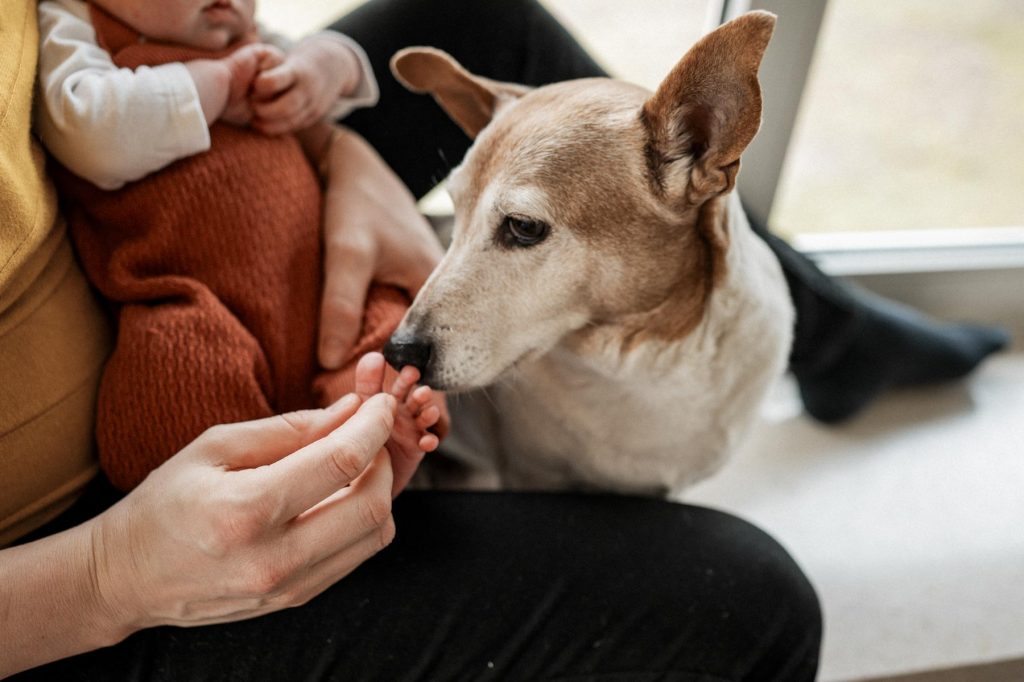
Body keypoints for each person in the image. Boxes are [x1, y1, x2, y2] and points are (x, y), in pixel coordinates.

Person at [3, 0, 1008, 678]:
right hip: (78, 552)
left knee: (485, 15)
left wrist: (343, 150)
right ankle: (827, 331)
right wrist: (110, 570)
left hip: (160, 192)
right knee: (757, 605)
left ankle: (824, 332)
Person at [33, 0, 446, 491]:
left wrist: (322, 68)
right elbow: (86, 130)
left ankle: (379, 436)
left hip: (320, 282)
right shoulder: (76, 23)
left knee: (386, 335)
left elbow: (335, 73)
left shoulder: (231, 32)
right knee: (176, 374)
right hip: (202, 303)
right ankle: (251, 494)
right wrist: (215, 86)